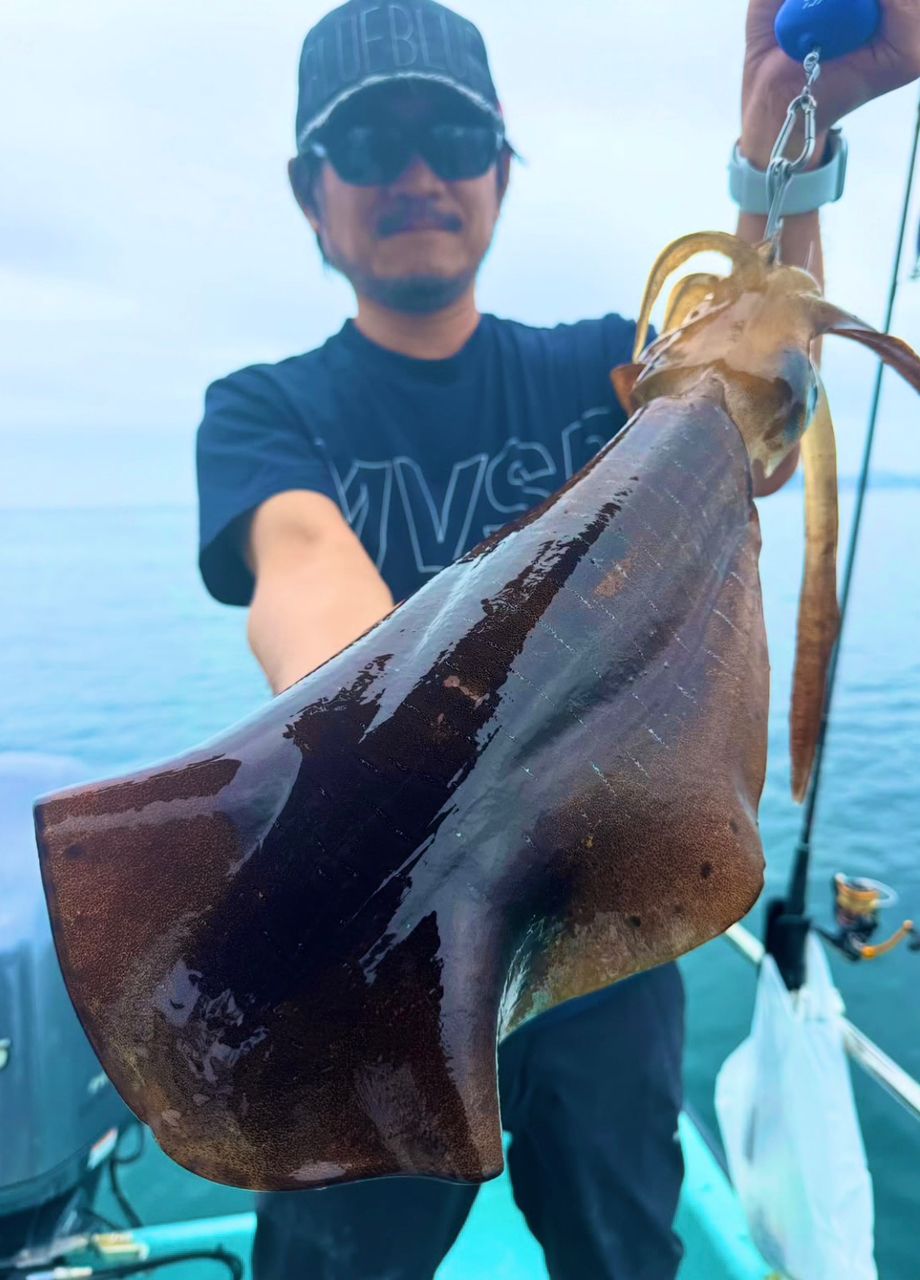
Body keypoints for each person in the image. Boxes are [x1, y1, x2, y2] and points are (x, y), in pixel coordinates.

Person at [195, 3, 920, 1276]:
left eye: (451, 133)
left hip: (597, 920)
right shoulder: (264, 410)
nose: (415, 170)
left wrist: (777, 151)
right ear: (313, 195)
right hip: (365, 944)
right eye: (367, 140)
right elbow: (303, 575)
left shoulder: (602, 371)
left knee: (621, 1236)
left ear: (499, 170)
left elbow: (744, 374)